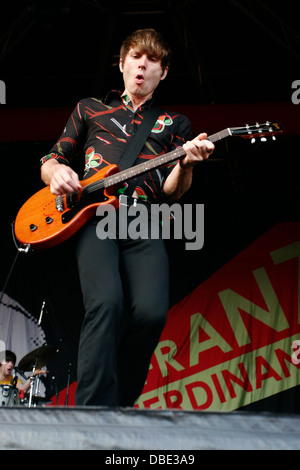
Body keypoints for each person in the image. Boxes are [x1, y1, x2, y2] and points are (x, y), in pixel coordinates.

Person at [40, 28, 214, 407]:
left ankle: (121, 404)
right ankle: (89, 409)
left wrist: (187, 163)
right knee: (106, 302)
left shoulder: (174, 123)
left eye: (152, 60)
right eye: (136, 57)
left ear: (162, 73)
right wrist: (55, 173)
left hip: (143, 218)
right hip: (95, 215)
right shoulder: (89, 108)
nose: (143, 65)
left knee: (151, 312)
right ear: (121, 64)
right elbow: (53, 157)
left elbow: (173, 190)